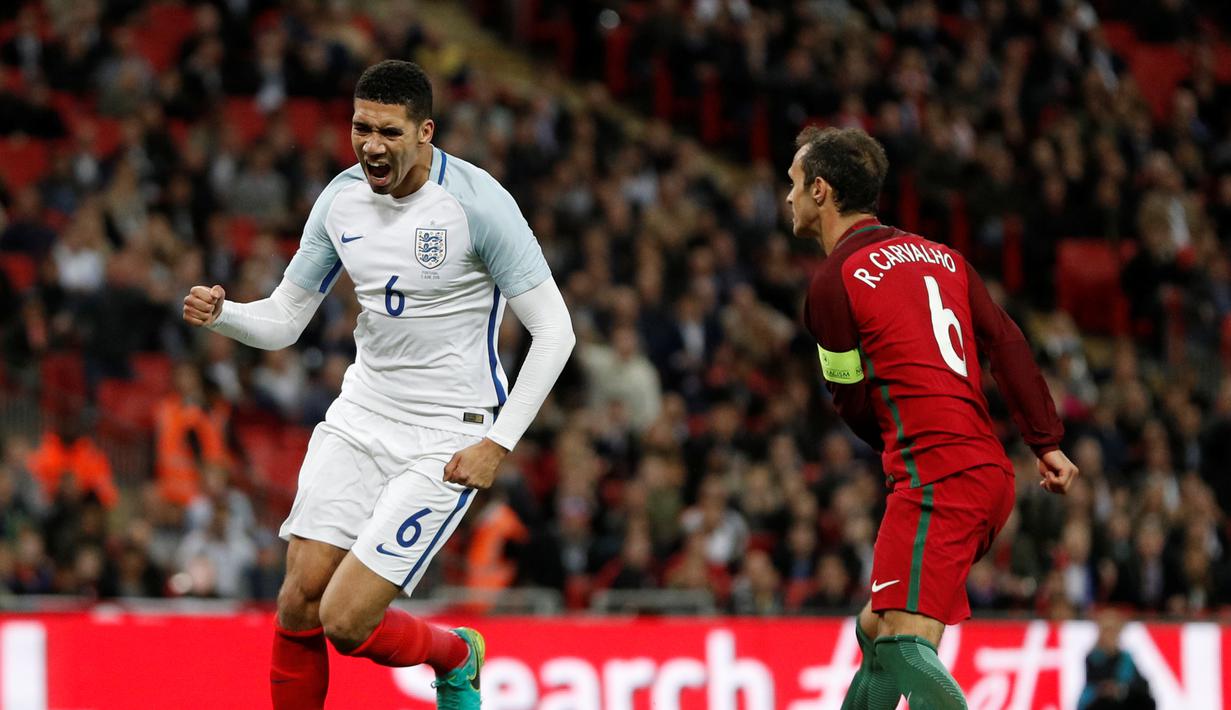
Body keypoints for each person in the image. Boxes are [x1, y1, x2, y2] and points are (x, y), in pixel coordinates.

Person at [182, 60, 575, 709]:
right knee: (299, 598)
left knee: (345, 621)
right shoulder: (340, 200)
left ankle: (455, 653)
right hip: (362, 413)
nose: (370, 145)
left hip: (448, 435)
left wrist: (499, 443)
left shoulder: (478, 205)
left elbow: (554, 332)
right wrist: (225, 314)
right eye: (361, 128)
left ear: (425, 132)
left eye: (388, 132)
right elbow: (285, 320)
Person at [787, 126, 1078, 709]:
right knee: (876, 630)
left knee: (901, 646)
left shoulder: (831, 284)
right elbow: (1007, 341)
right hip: (985, 474)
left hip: (934, 477)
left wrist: (896, 447)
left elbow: (848, 398)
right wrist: (1045, 439)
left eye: (793, 182)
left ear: (820, 191)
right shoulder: (944, 258)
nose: (786, 196)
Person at [1078, 609, 1155, 710]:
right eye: (1108, 631)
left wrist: (1122, 689)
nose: (1111, 635)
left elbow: (1141, 685)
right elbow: (1092, 686)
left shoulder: (1126, 659)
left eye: (1114, 631)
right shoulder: (1093, 658)